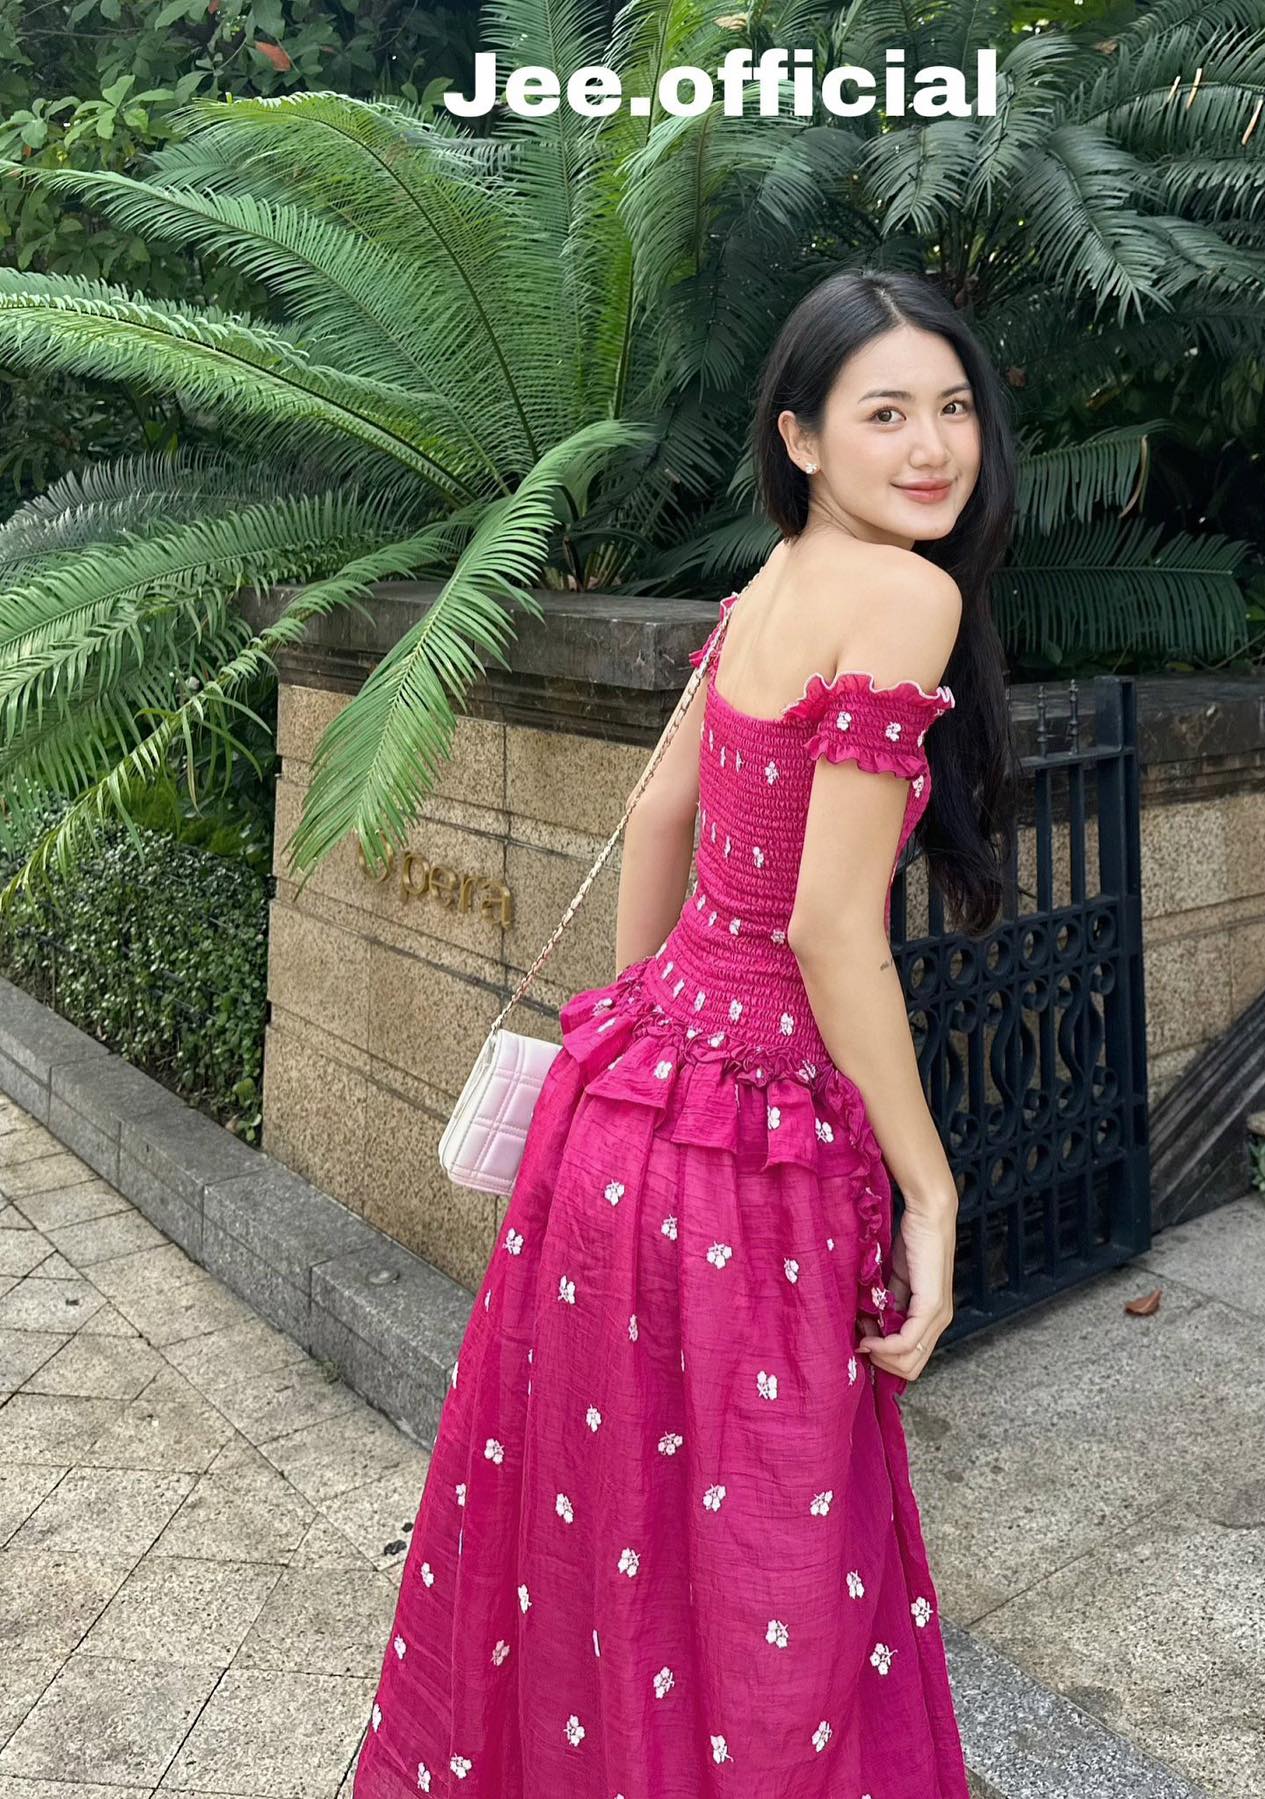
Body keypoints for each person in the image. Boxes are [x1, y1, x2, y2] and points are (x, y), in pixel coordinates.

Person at [354, 267, 1020, 1798]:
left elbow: (661, 813)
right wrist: (932, 1189)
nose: (932, 446)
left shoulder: (773, 581)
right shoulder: (905, 595)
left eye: (953, 407)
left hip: (626, 1103)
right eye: (885, 414)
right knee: (772, 1560)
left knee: (610, 1536)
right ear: (800, 436)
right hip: (756, 1145)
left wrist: (649, 1055)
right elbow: (831, 932)